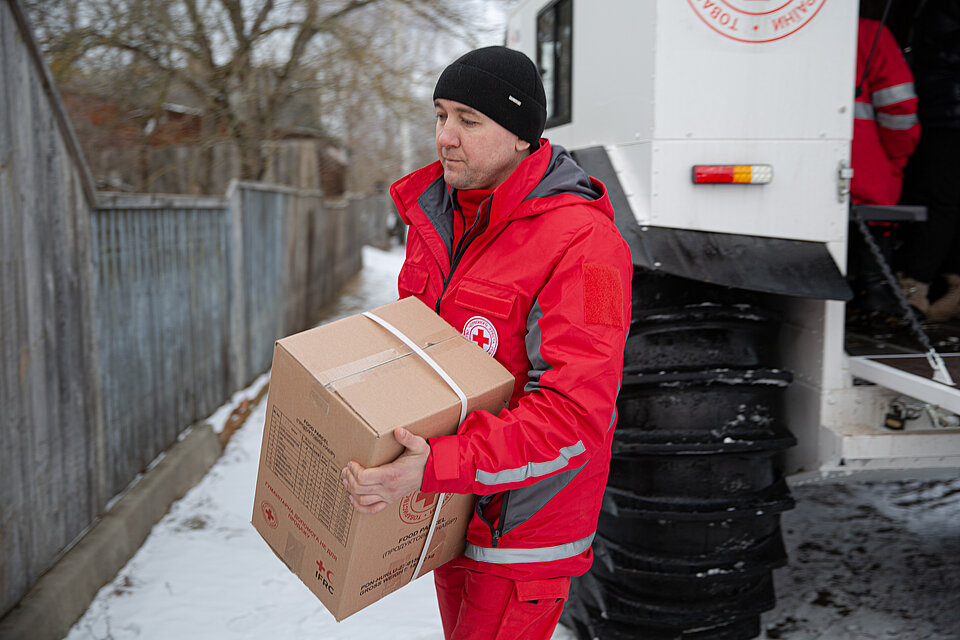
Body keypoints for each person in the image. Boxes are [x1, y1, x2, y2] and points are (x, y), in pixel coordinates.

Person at [341, 46, 632, 639]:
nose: (445, 137)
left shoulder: (586, 246)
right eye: (441, 115)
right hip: (450, 505)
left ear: (523, 136)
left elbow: (576, 418)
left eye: (469, 120)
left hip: (520, 532)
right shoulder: (439, 217)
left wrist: (436, 465)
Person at [847, 15, 921, 319]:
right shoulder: (868, 33)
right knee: (872, 229)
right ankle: (873, 294)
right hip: (864, 165)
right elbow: (899, 107)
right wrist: (897, 157)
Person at [896, 0, 960, 322]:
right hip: (943, 111)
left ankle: (916, 287)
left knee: (937, 200)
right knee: (943, 200)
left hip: (944, 114)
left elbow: (938, 55)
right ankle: (946, 283)